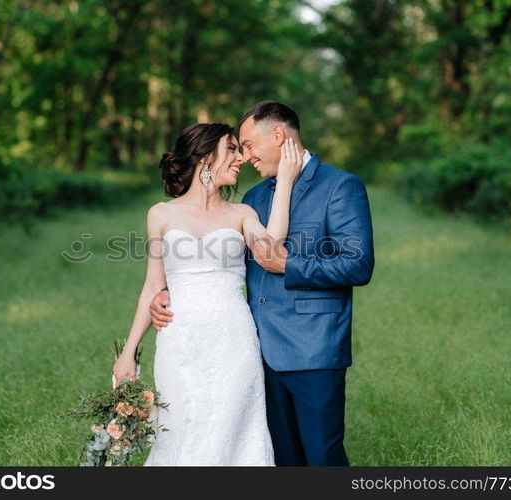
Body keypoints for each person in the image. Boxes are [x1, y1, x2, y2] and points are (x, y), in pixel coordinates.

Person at [149, 101, 375, 466]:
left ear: (278, 135)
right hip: (253, 349)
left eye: (249, 145)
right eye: (238, 149)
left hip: (313, 347)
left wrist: (289, 263)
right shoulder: (254, 198)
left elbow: (358, 264)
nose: (246, 157)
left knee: (321, 455)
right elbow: (216, 262)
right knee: (280, 457)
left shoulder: (340, 186)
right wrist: (166, 292)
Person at [113, 121, 303, 465]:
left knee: (232, 431)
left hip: (234, 340)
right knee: (181, 429)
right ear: (203, 157)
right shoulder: (161, 214)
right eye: (231, 148)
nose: (240, 158)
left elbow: (271, 247)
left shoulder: (242, 214)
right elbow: (153, 286)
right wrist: (128, 353)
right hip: (179, 340)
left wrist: (286, 180)